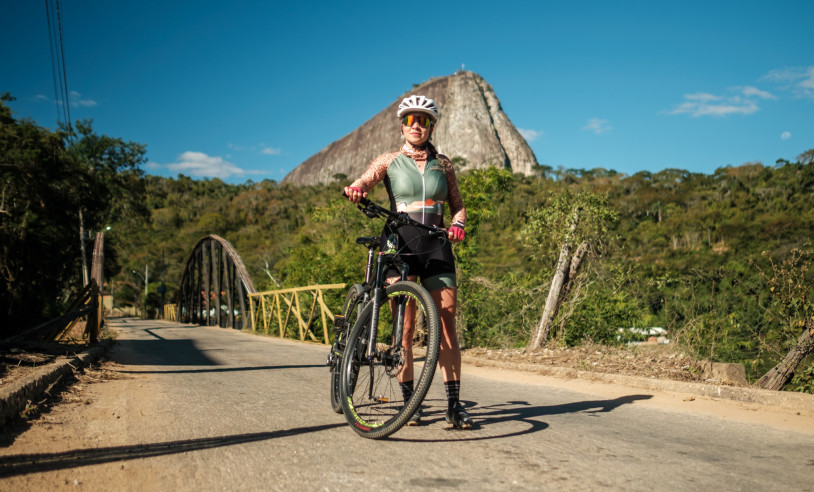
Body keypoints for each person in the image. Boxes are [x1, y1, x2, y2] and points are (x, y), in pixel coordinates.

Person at [344, 95, 472, 430]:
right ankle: (409, 403)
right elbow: (365, 180)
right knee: (405, 329)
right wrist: (357, 189)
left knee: (446, 326)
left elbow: (458, 205)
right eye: (410, 120)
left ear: (431, 126)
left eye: (424, 120)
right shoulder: (387, 160)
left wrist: (457, 223)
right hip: (399, 244)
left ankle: (454, 405)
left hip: (436, 245)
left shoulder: (444, 165)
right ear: (402, 125)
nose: (416, 126)